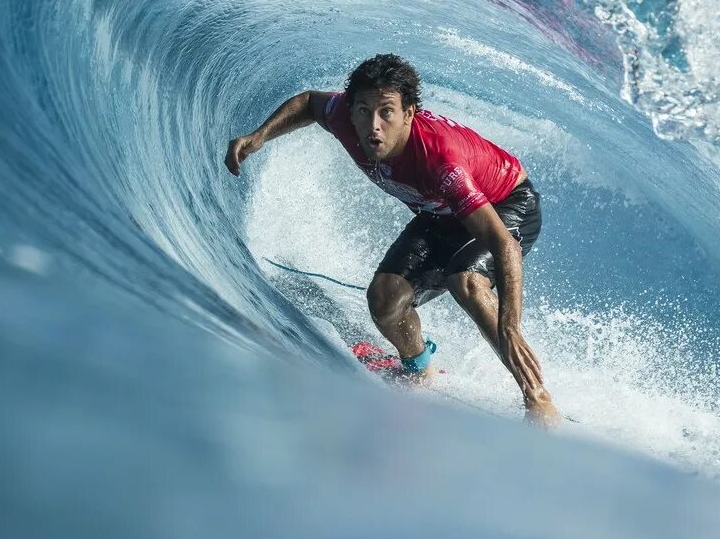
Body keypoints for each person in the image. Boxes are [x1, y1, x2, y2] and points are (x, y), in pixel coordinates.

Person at [225, 53, 562, 428]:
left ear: (409, 113)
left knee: (466, 281)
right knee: (385, 300)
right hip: (441, 213)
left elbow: (504, 245)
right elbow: (309, 103)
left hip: (506, 203)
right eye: (364, 110)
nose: (374, 126)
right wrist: (259, 136)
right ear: (350, 109)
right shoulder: (344, 117)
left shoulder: (441, 161)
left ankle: (538, 398)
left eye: (387, 112)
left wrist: (510, 327)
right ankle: (419, 370)